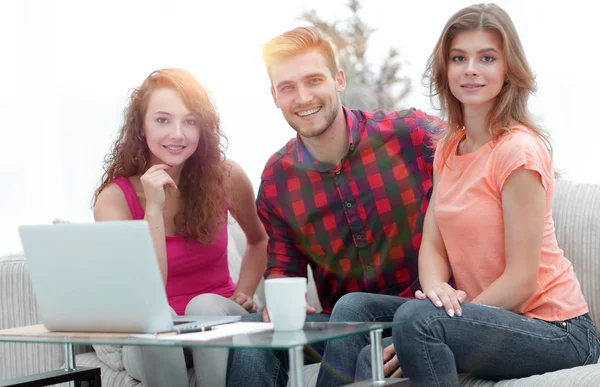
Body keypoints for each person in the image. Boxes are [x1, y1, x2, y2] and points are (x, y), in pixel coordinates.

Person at [384, 3, 600, 387]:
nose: (470, 68)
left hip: (557, 331)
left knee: (417, 320)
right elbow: (433, 244)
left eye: (486, 57)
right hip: (492, 319)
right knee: (355, 308)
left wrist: (444, 316)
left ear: (507, 70)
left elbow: (520, 281)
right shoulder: (450, 148)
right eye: (458, 58)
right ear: (445, 69)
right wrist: (436, 293)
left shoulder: (518, 151)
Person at [226, 26, 441, 387]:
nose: (303, 96)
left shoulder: (410, 135)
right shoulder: (279, 178)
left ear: (338, 80)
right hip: (338, 327)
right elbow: (283, 266)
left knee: (352, 310)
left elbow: (484, 157)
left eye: (313, 80)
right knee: (250, 337)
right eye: (288, 87)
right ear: (274, 96)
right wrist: (281, 300)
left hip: (415, 314)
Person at [93, 68, 268, 387]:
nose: (178, 134)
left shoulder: (226, 176)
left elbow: (259, 241)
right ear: (141, 128)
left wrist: (243, 291)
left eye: (190, 121)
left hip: (219, 324)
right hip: (155, 336)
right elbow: (148, 293)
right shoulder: (114, 199)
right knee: (158, 318)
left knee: (203, 305)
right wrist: (153, 211)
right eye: (162, 120)